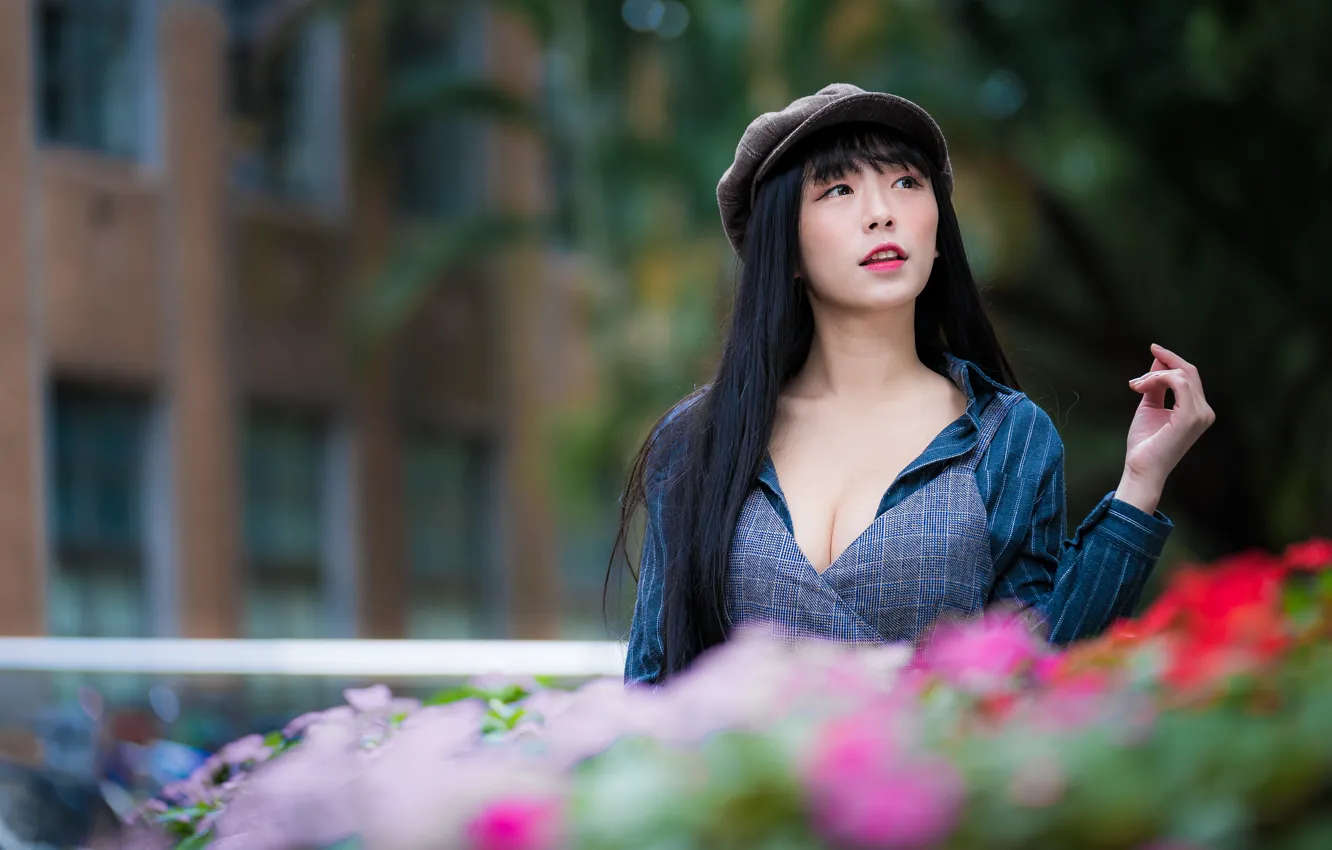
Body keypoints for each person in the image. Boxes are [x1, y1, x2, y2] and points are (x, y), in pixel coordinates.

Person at [612, 83, 1215, 687]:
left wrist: (1140, 484)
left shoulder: (1006, 436)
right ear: (787, 249)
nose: (882, 212)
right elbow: (651, 683)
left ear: (937, 230)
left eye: (906, 182)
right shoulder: (697, 440)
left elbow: (1037, 672)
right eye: (839, 190)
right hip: (738, 781)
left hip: (939, 780)